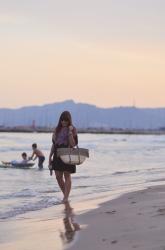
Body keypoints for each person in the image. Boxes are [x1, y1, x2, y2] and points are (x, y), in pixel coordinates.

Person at [48, 111, 78, 203]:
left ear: (69, 120)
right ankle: (65, 195)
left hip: (67, 154)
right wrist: (50, 157)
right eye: (62, 120)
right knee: (58, 177)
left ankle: (65, 198)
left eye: (66, 120)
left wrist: (69, 132)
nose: (64, 122)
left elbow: (73, 144)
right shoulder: (56, 130)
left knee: (67, 175)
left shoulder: (73, 130)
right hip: (57, 155)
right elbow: (54, 144)